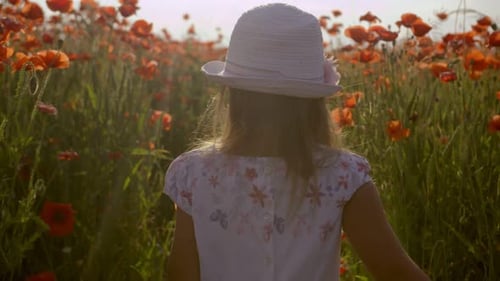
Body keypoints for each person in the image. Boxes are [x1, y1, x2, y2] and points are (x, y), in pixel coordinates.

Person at [164, 3, 430, 281]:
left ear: (231, 95)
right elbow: (395, 272)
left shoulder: (194, 174)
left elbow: (181, 272)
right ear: (314, 103)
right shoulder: (342, 176)